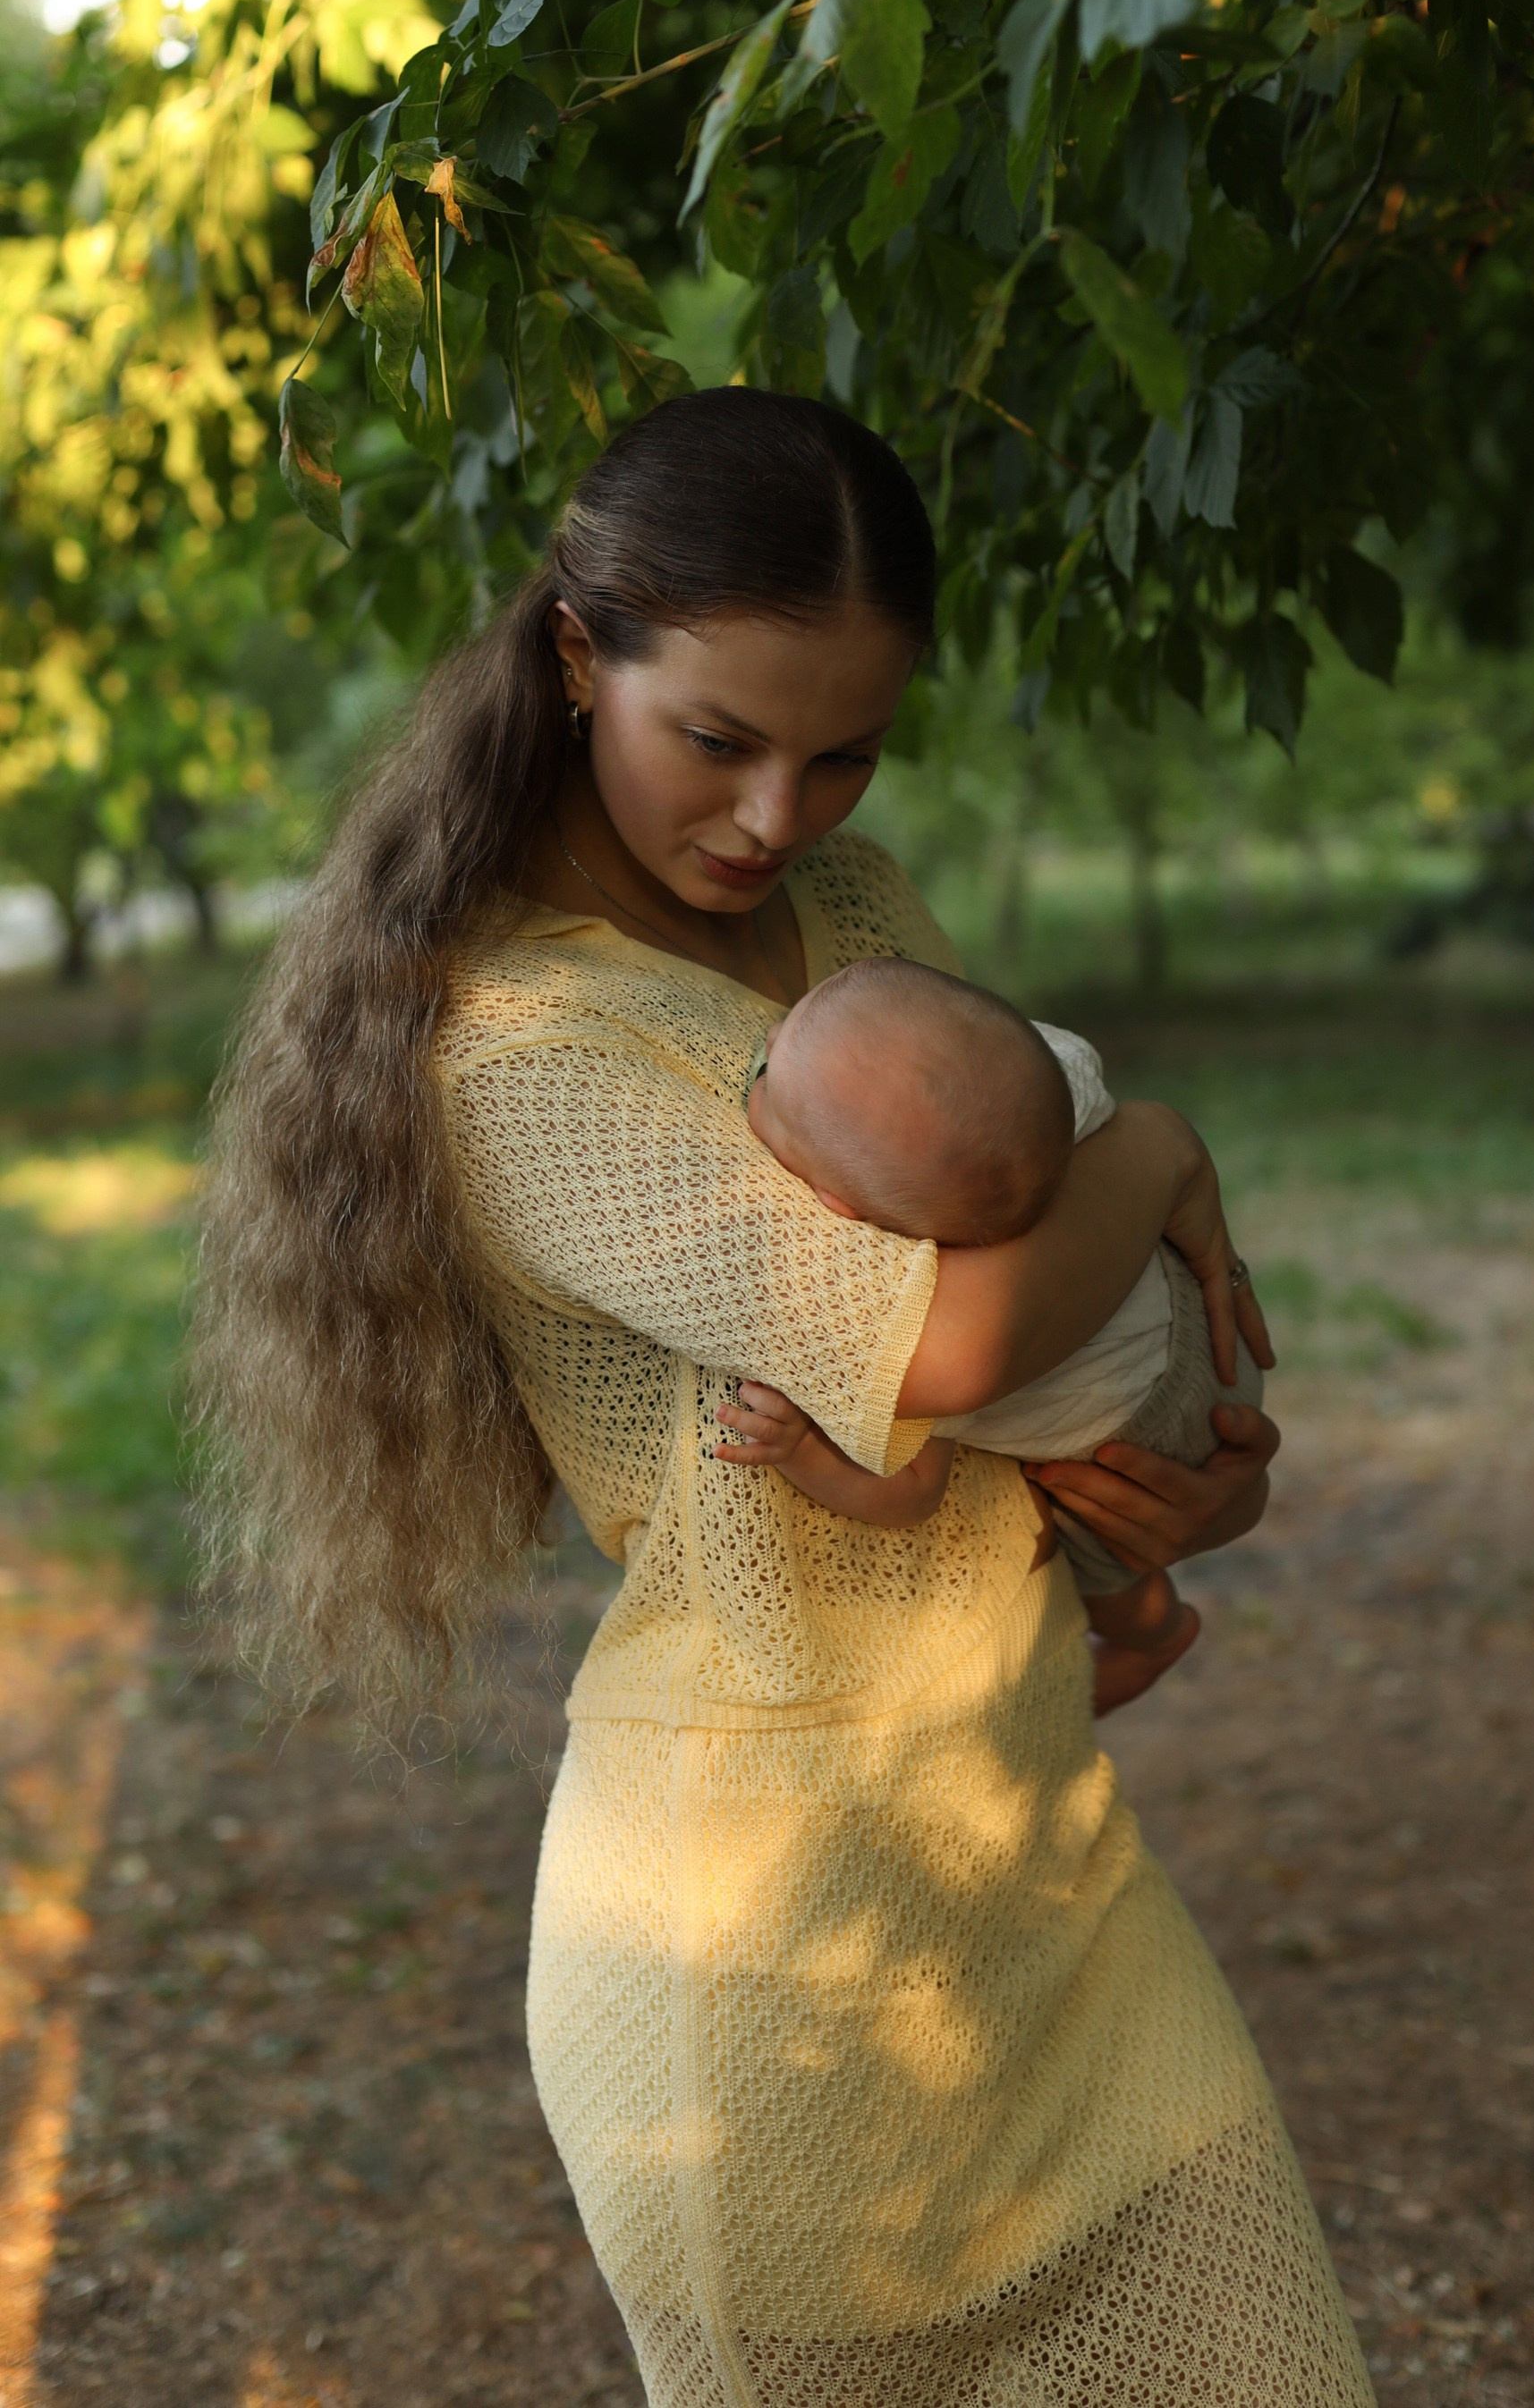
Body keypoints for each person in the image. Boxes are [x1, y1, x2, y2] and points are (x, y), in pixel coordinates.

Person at [195, 388, 1375, 2405]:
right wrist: (1161, 1146)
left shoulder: (856, 911)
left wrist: (1168, 1491)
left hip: (1037, 1860)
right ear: (581, 655)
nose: (773, 819)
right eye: (718, 742)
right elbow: (941, 1344)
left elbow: (1027, 1314)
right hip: (755, 1956)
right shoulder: (512, 1048)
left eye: (842, 756)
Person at [716, 956, 1267, 1713]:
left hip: (1144, 1431)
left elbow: (909, 1492)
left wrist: (803, 1452)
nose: (768, 1039)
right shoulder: (1049, 1092)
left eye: (769, 1080)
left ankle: (1154, 1634)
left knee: (1109, 1559)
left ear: (832, 1204)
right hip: (1195, 1304)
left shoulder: (913, 1316)